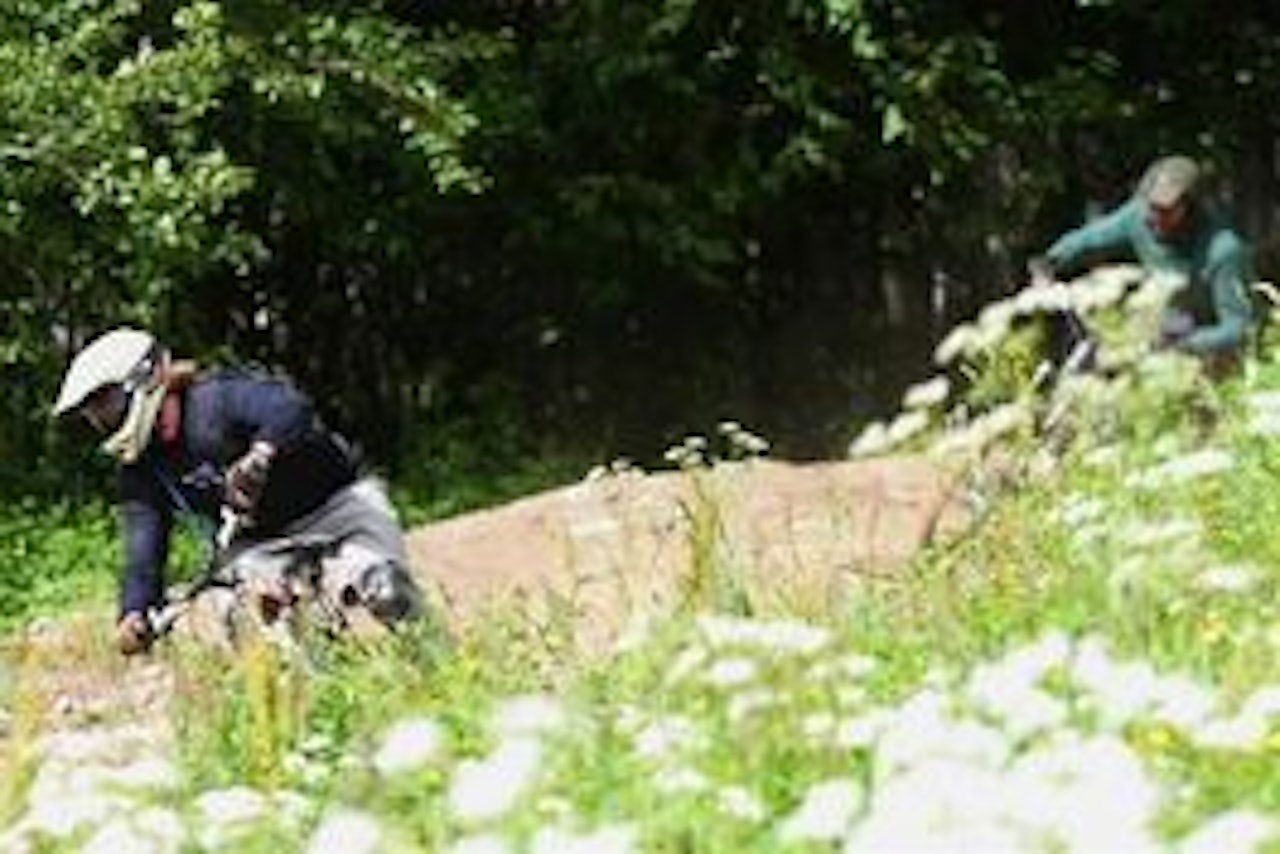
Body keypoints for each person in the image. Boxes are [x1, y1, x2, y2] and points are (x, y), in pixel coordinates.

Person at [52, 327, 424, 655]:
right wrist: (133, 612)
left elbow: (291, 407)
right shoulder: (143, 469)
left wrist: (260, 455)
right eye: (94, 414)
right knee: (251, 619)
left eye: (107, 403)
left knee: (386, 589)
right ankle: (321, 700)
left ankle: (437, 662)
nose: (102, 420)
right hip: (257, 540)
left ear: (145, 379)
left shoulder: (217, 398)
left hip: (339, 508)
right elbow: (143, 547)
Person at [1030, 154, 1256, 367]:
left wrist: (1184, 345)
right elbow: (1090, 239)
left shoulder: (1223, 250)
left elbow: (1239, 328)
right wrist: (1051, 261)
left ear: (1190, 207)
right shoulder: (1137, 217)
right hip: (1162, 324)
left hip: (1206, 346)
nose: (1153, 218)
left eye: (1164, 210)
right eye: (1149, 206)